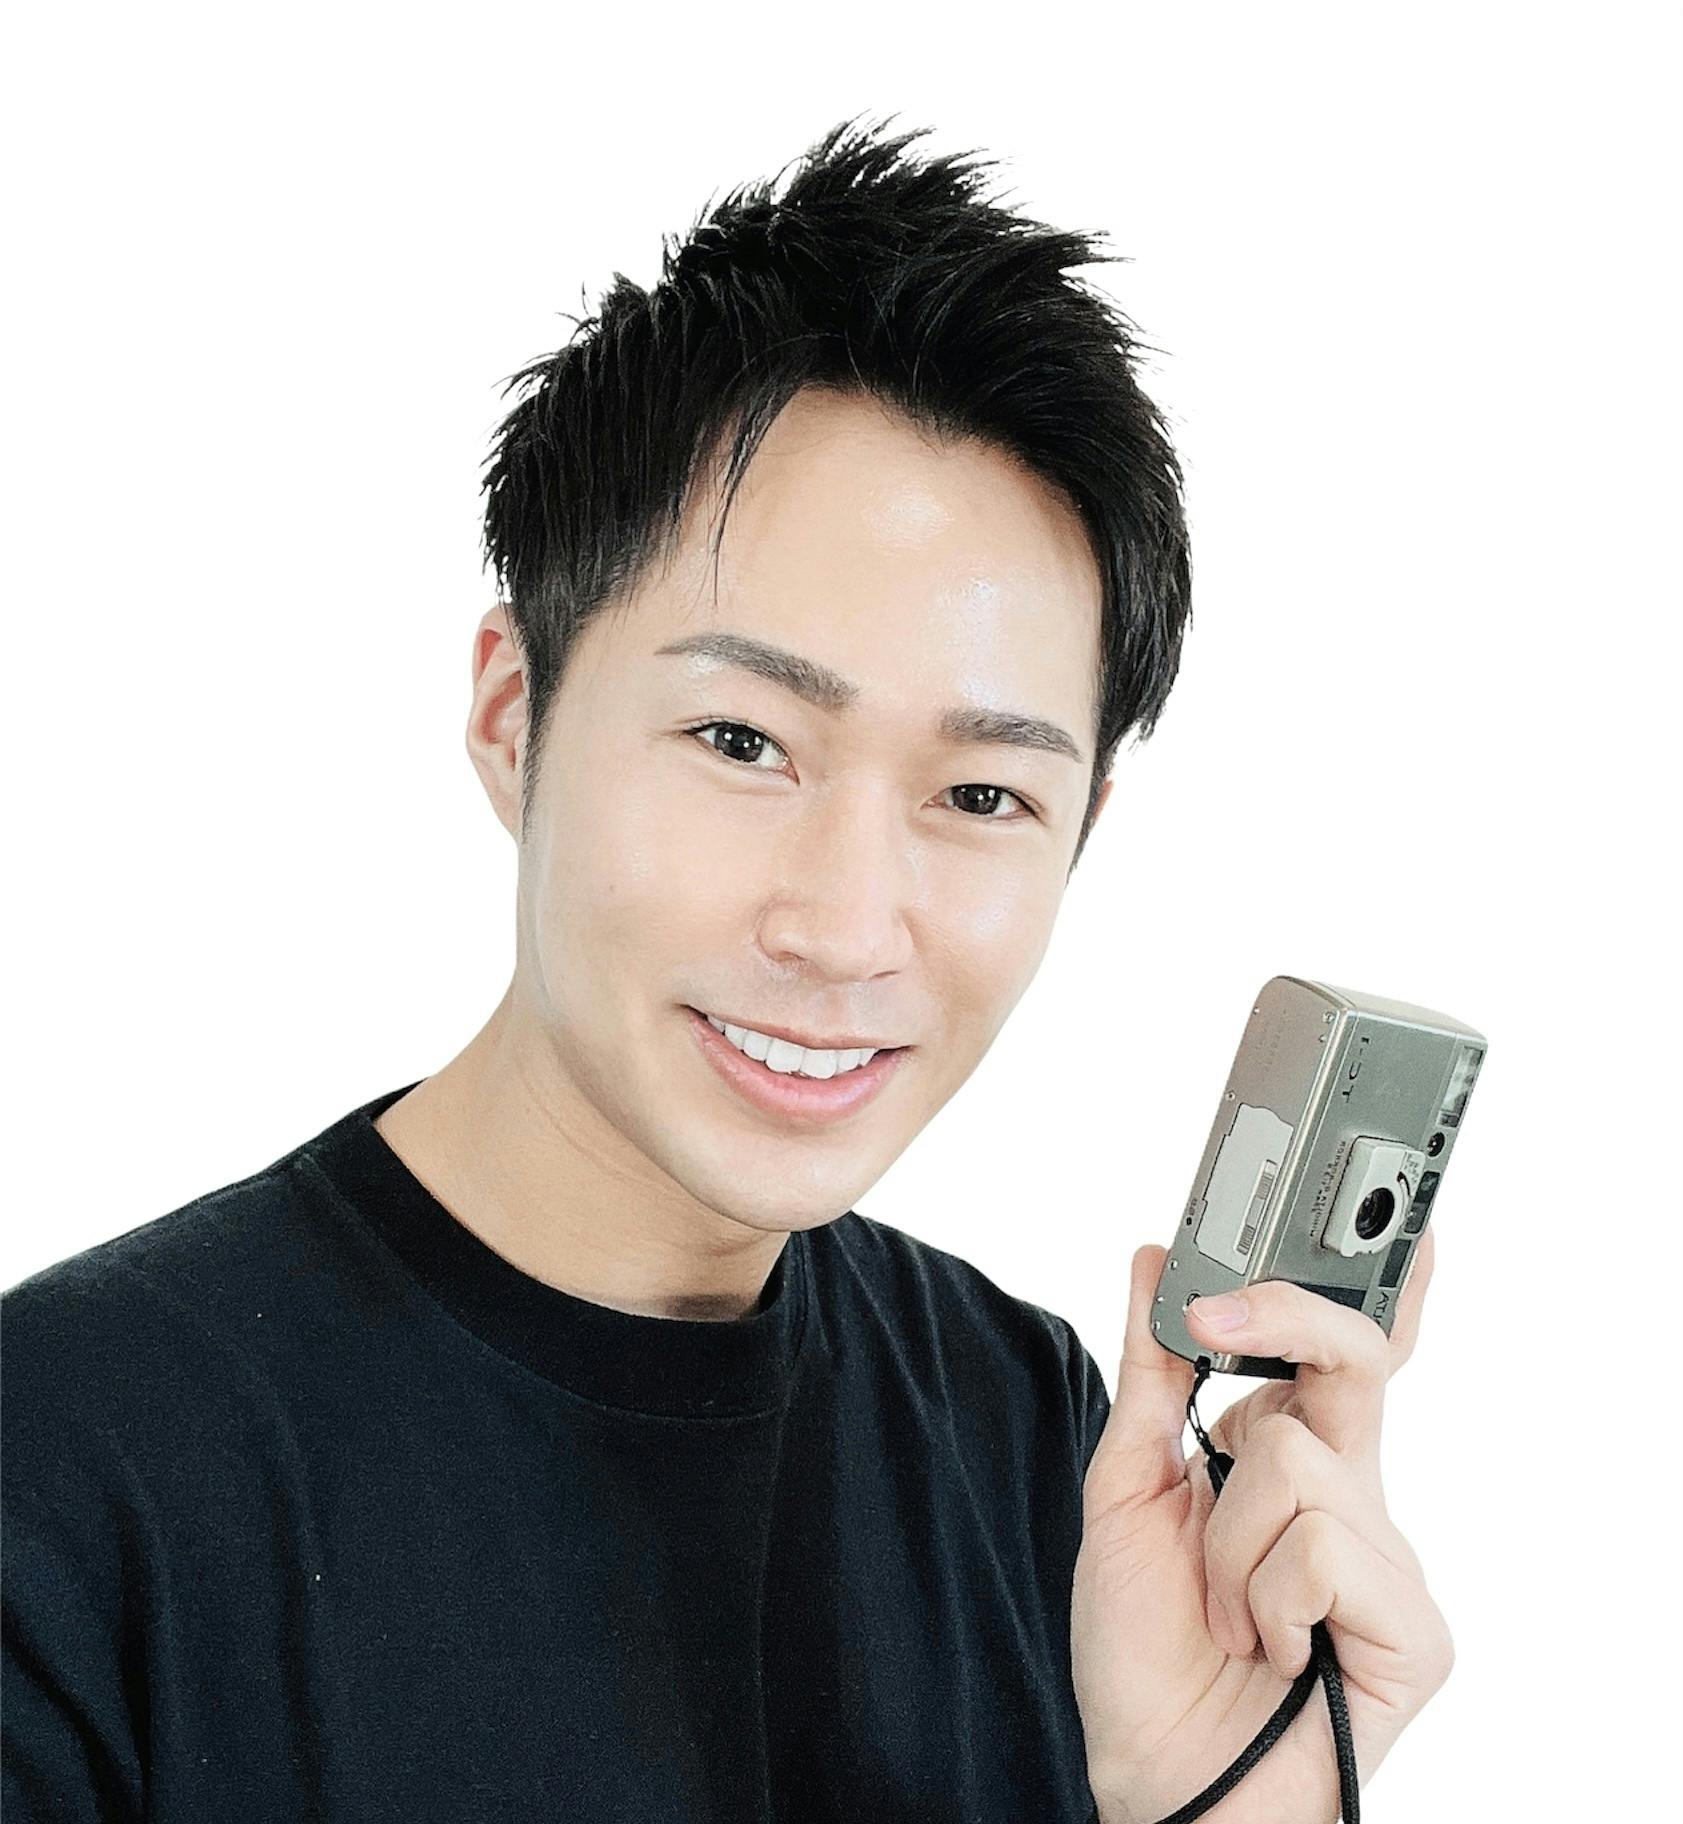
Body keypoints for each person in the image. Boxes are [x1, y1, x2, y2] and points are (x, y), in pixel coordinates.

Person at [1, 114, 1452, 1823]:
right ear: (513, 715)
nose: (845, 926)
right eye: (743, 740)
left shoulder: (1039, 1446)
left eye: (982, 795)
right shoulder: (68, 1475)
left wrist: (1208, 1802)